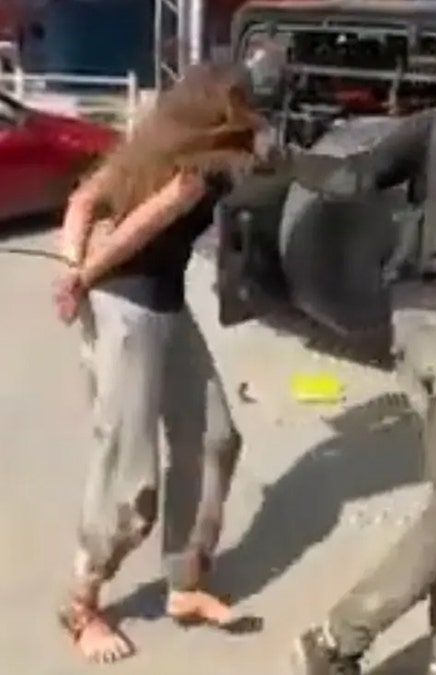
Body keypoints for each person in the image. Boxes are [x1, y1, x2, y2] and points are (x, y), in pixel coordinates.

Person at [286, 21, 436, 675]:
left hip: (413, 331)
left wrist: (283, 160)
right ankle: (335, 639)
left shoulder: (431, 128)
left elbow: (352, 180)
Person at [52, 63, 265, 664]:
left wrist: (72, 265)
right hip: (126, 310)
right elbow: (128, 218)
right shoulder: (192, 167)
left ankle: (184, 581)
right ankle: (83, 604)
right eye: (241, 105)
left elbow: (83, 203)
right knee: (128, 469)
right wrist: (81, 273)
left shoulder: (166, 146)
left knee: (215, 436)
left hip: (164, 306)